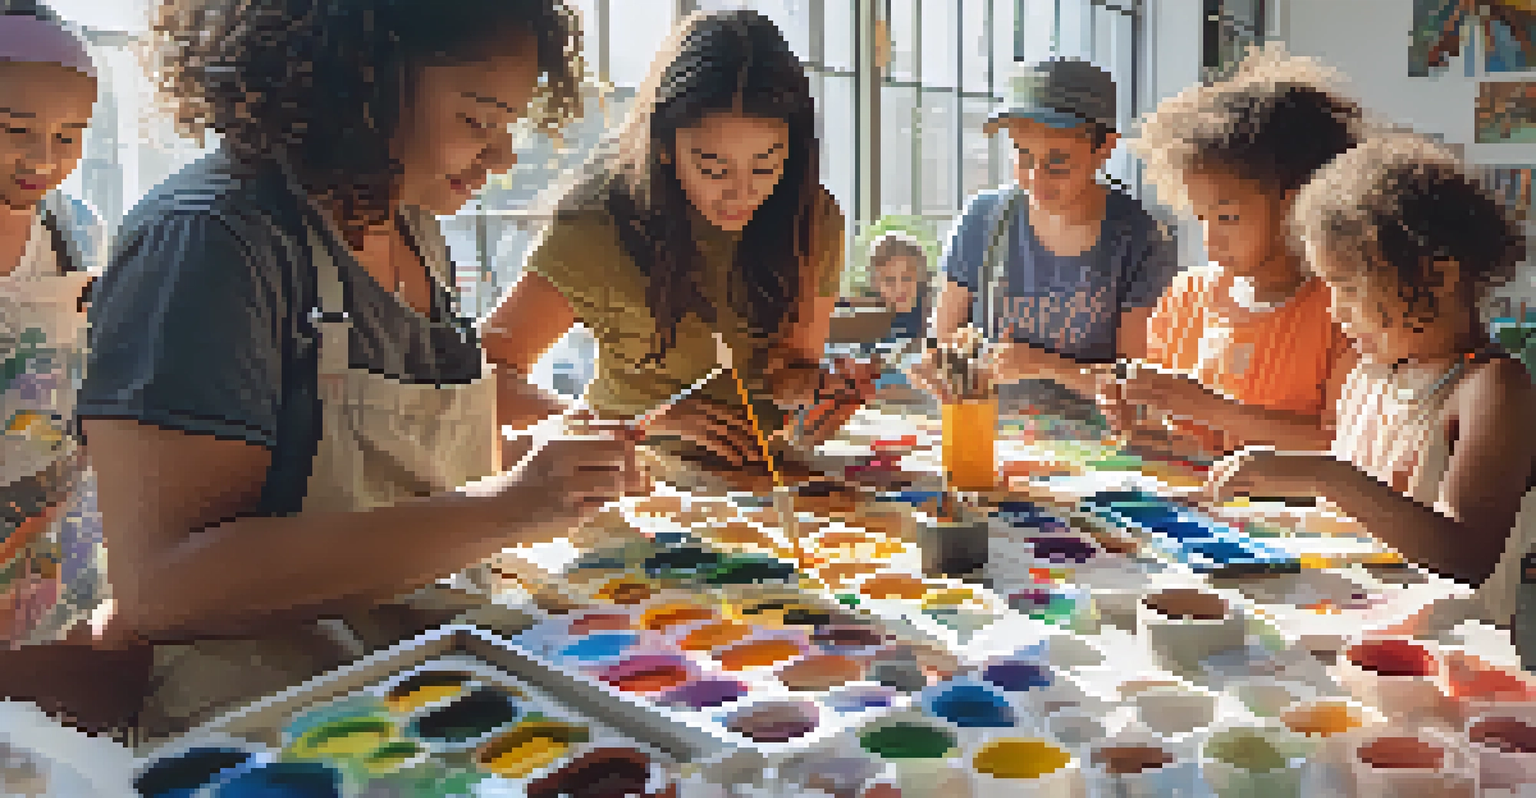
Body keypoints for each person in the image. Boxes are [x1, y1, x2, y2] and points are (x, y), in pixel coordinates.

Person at [58, 0, 638, 739]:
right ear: (357, 81)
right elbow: (166, 587)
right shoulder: (211, 243)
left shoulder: (408, 224)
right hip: (282, 732)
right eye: (477, 122)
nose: (502, 160)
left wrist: (540, 468)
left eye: (508, 126)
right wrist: (506, 507)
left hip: (420, 683)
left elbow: (394, 482)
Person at [481, 10, 877, 480]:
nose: (741, 193)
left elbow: (791, 370)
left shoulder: (808, 216)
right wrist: (641, 422)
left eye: (766, 165)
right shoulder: (599, 221)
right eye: (714, 168)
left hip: (768, 480)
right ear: (663, 145)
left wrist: (817, 390)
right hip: (629, 479)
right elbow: (484, 380)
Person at [1207, 132, 1536, 634]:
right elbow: (1349, 523)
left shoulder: (1491, 388)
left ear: (1439, 278)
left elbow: (1463, 557)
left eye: (1349, 287)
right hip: (1345, 631)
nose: (1336, 311)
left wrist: (1325, 476)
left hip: (1442, 666)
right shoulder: (1369, 374)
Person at [1104, 45, 1363, 459]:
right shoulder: (1186, 298)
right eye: (1200, 218)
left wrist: (1209, 408)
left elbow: (1341, 446)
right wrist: (1136, 414)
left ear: (1297, 206)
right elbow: (1174, 432)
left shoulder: (1347, 312)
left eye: (1227, 218)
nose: (1210, 241)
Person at [916, 57, 1180, 422]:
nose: (1036, 179)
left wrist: (1043, 365)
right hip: (988, 430)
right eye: (1023, 157)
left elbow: (1135, 387)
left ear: (1104, 148)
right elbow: (940, 343)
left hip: (1096, 448)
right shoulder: (984, 219)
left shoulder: (1141, 238)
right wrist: (939, 363)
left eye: (1058, 164)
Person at [0, 2, 106, 650]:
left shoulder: (77, 229)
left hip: (63, 547)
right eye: (14, 128)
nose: (44, 157)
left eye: (70, 135)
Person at [866, 231, 931, 343]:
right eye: (889, 281)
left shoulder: (932, 315)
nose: (899, 289)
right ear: (877, 284)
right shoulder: (872, 320)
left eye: (907, 279)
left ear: (920, 279)